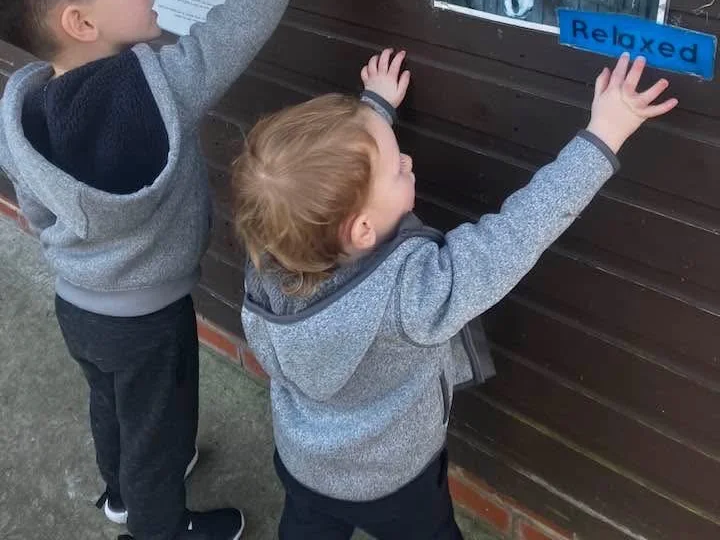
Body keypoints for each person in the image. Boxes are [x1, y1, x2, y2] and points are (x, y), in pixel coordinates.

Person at [0, 0, 345, 540]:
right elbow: (241, 20)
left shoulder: (25, 102)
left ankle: (121, 493)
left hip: (78, 306)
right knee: (161, 433)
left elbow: (34, 205)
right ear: (80, 20)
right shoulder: (159, 90)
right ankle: (158, 527)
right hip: (148, 319)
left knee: (112, 405)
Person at [232, 48, 677, 539]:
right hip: (394, 483)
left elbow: (330, 177)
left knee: (306, 530)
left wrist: (374, 108)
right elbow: (515, 234)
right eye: (397, 168)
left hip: (303, 463)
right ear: (360, 230)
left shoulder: (269, 267)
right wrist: (603, 136)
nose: (407, 159)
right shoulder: (414, 295)